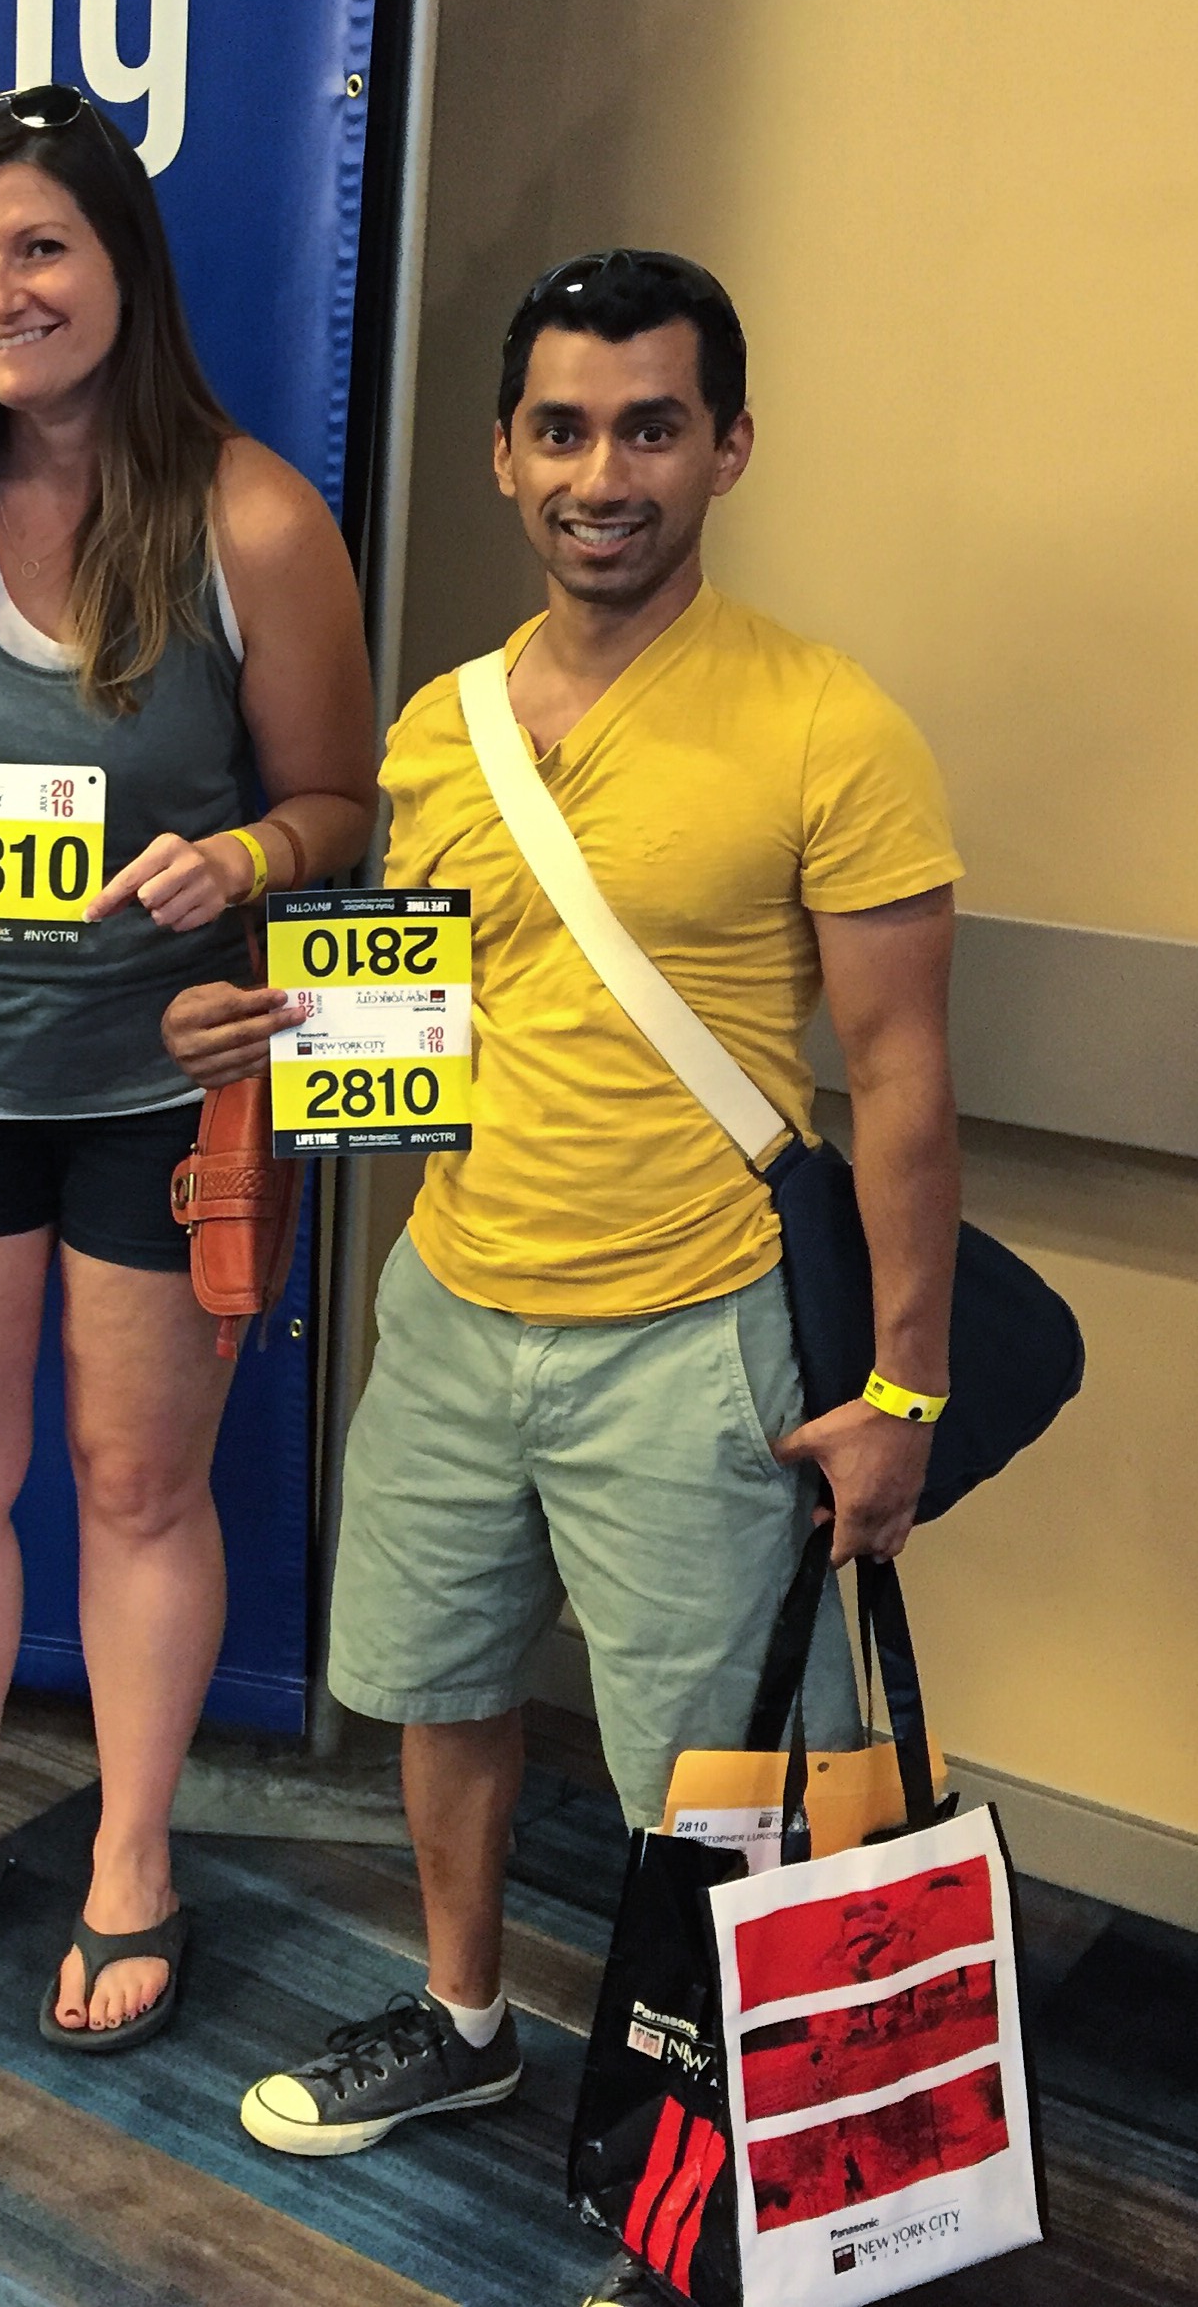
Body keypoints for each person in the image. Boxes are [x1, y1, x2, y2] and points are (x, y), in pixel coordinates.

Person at [169, 250, 960, 2266]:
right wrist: (264, 1031)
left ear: (726, 447)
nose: (602, 473)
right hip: (449, 1300)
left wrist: (900, 1388)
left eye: (648, 428)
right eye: (562, 430)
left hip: (691, 1337)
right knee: (437, 1694)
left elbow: (897, 1078)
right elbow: (422, 1028)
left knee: (718, 1780)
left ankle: (731, 2153)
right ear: (504, 457)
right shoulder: (437, 728)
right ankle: (460, 2021)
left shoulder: (826, 722)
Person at [0, 85, 375, 2048]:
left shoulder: (249, 518)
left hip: (161, 1091)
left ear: (123, 266)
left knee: (134, 1479)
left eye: (39, 248)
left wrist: (245, 859)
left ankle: (127, 1854)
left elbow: (337, 803)